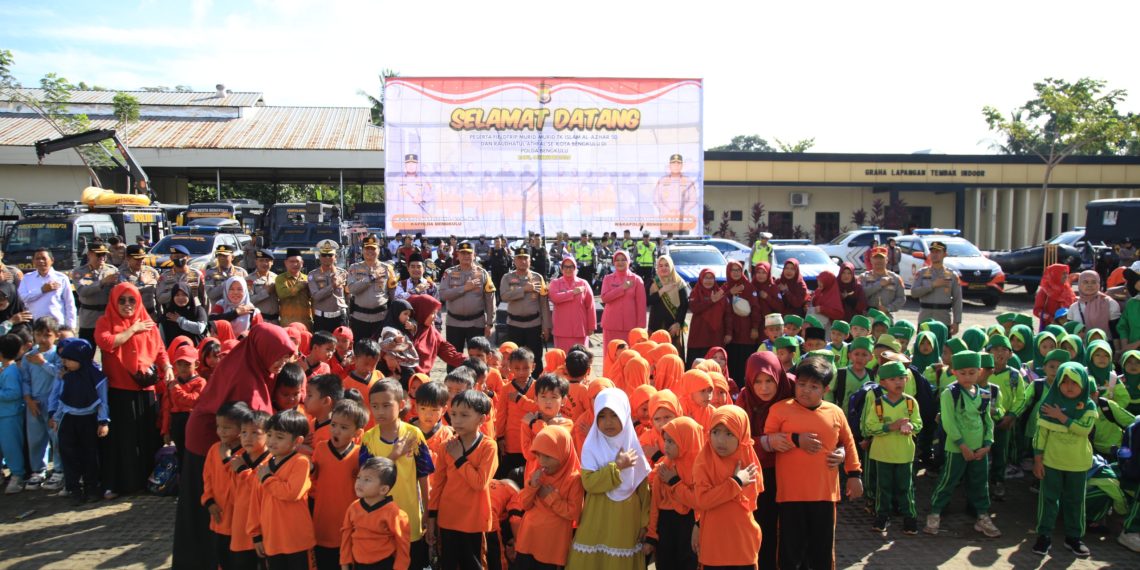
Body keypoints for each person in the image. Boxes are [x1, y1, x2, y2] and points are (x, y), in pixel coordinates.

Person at [174, 324, 297, 569]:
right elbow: (254, 425)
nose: (281, 363)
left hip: (220, 443)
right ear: (263, 350)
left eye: (286, 357)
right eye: (279, 357)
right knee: (212, 511)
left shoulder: (251, 363)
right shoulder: (245, 380)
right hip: (211, 446)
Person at [764, 357, 863, 570]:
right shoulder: (780, 410)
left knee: (822, 551)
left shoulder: (835, 412)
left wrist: (854, 474)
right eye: (801, 384)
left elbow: (848, 441)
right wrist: (795, 439)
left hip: (825, 495)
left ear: (826, 389)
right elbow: (768, 441)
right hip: (790, 495)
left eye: (813, 386)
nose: (805, 390)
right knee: (791, 552)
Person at [94, 283, 171, 499]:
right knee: (123, 440)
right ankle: (122, 483)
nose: (127, 305)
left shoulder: (148, 322)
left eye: (132, 300)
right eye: (122, 300)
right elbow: (107, 341)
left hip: (145, 388)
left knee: (146, 436)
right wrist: (132, 330)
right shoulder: (105, 321)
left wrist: (168, 367)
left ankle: (148, 480)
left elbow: (159, 349)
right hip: (120, 391)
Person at [566, 388, 651, 570]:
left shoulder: (631, 445)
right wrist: (617, 467)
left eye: (614, 415)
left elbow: (643, 488)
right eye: (602, 416)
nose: (608, 422)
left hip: (627, 520)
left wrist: (646, 524)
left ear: (624, 415)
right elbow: (589, 483)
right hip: (597, 517)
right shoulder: (592, 445)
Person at [923, 350, 1002, 538]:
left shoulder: (983, 394)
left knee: (980, 483)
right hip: (956, 448)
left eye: (972, 372)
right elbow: (948, 422)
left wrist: (987, 444)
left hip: (979, 449)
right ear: (954, 372)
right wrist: (962, 446)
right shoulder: (950, 393)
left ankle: (982, 516)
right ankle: (935, 512)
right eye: (963, 373)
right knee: (948, 480)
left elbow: (988, 421)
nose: (968, 377)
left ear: (980, 371)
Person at [359, 380, 434, 570]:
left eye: (386, 405)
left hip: (410, 517)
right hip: (378, 521)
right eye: (375, 406)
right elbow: (366, 479)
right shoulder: (368, 438)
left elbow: (424, 477)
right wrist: (394, 455)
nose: (380, 411)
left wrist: (427, 511)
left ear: (401, 405)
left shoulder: (414, 434)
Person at [735, 352, 795, 568]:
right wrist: (765, 442)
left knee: (793, 531)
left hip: (794, 472)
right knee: (764, 528)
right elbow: (739, 441)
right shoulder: (744, 399)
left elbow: (821, 420)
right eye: (757, 381)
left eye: (769, 380)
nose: (764, 388)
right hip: (760, 474)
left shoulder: (794, 390)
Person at [427, 389, 499, 569]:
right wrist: (431, 518)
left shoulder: (488, 447)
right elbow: (438, 485)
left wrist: (459, 459)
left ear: (481, 419)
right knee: (448, 564)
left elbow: (479, 483)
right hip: (448, 518)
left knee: (473, 565)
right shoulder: (447, 446)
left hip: (474, 521)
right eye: (453, 414)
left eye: (464, 415)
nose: (456, 420)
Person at [1031, 362, 1097, 558]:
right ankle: (1044, 536)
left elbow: (1084, 429)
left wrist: (1061, 417)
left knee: (1075, 501)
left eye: (1074, 382)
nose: (1069, 386)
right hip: (1052, 462)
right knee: (1048, 500)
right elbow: (1040, 434)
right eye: (1064, 381)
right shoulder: (1049, 404)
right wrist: (1038, 459)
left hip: (1077, 463)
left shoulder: (1088, 406)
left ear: (1083, 384)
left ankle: (1074, 538)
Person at [692, 405, 762, 569]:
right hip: (714, 548)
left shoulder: (748, 458)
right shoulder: (704, 462)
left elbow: (749, 501)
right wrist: (736, 482)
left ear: (742, 435)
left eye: (729, 433)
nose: (720, 440)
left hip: (743, 544)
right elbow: (703, 500)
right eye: (715, 432)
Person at [861, 360, 923, 534]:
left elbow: (919, 423)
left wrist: (911, 426)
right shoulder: (878, 404)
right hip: (882, 454)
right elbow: (869, 426)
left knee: (906, 487)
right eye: (893, 379)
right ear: (883, 383)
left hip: (904, 453)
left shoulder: (911, 403)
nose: (898, 382)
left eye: (902, 378)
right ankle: (882, 517)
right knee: (883, 487)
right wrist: (890, 427)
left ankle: (910, 518)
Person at [248, 410, 315, 567]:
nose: (271, 441)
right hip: (272, 540)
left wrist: (267, 479)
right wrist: (256, 535)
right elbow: (255, 503)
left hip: (297, 541)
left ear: (297, 441)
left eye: (279, 437)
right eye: (269, 435)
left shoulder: (301, 462)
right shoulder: (264, 466)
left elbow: (291, 493)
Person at [516, 424, 584, 570]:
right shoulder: (538, 472)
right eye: (538, 455)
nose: (542, 461)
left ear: (563, 452)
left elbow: (574, 513)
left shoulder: (574, 479)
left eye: (547, 456)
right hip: (528, 540)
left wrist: (551, 497)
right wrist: (531, 486)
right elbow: (523, 504)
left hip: (551, 548)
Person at [200, 401, 253, 568]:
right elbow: (207, 478)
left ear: (240, 430)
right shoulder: (214, 449)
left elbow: (245, 483)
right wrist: (208, 501)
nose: (221, 431)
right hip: (220, 517)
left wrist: (227, 460)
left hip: (241, 522)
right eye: (218, 426)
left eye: (227, 427)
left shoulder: (248, 453)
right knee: (222, 559)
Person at [340, 456, 411, 569]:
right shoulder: (353, 508)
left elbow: (403, 549)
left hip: (383, 564)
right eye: (359, 477)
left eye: (367, 479)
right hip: (358, 564)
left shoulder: (395, 514)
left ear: (383, 489)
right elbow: (346, 538)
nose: (359, 483)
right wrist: (344, 564)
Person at [440, 241, 497, 353]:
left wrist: (490, 324)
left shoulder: (483, 273)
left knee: (477, 358)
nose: (466, 256)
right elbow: (443, 295)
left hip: (476, 323)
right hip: (454, 323)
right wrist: (464, 288)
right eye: (463, 253)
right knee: (453, 357)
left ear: (474, 255)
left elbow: (490, 301)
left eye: (469, 253)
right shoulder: (449, 273)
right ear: (458, 255)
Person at [502, 246, 552, 371]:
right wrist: (523, 289)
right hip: (514, 325)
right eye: (519, 258)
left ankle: (536, 385)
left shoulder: (537, 278)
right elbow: (504, 296)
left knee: (535, 358)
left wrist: (546, 326)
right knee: (514, 357)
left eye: (525, 258)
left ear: (530, 260)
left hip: (533, 325)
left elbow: (544, 303)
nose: (523, 261)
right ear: (514, 260)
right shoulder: (507, 277)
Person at [348, 233, 398, 341]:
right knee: (360, 351)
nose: (370, 251)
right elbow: (352, 289)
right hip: (359, 318)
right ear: (362, 250)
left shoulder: (387, 268)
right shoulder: (354, 268)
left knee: (380, 352)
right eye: (367, 248)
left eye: (373, 248)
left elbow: (393, 294)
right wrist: (371, 278)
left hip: (381, 318)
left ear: (378, 251)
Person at [72, 241, 119, 344]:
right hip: (89, 317)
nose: (102, 257)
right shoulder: (80, 272)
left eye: (104, 254)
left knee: (109, 351)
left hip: (107, 315)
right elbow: (82, 291)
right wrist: (102, 282)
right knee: (86, 349)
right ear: (89, 254)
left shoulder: (112, 270)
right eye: (98, 254)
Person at [911, 241, 963, 335]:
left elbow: (957, 300)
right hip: (925, 317)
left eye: (938, 252)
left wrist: (957, 322)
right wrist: (932, 285)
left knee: (943, 348)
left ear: (945, 254)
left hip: (943, 318)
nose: (934, 255)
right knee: (924, 346)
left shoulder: (952, 275)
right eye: (932, 252)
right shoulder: (922, 273)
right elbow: (914, 292)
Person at [18, 248, 76, 330]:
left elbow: (69, 303)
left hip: (57, 326)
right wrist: (42, 290)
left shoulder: (61, 278)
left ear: (52, 260)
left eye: (44, 258)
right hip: (34, 326)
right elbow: (22, 298)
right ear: (33, 261)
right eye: (37, 259)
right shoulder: (27, 278)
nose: (40, 261)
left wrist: (71, 327)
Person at [0, 333, 29, 494]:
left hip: (10, 416)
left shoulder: (11, 371)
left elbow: (13, 393)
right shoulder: (6, 369)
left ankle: (17, 476)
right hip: (4, 415)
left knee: (11, 447)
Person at [549, 256, 596, 351]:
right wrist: (572, 292)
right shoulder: (555, 283)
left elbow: (590, 306)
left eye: (571, 267)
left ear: (575, 268)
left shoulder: (583, 283)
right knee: (562, 361)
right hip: (561, 330)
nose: (568, 269)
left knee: (580, 359)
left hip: (580, 329)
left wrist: (591, 326)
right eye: (565, 267)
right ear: (561, 269)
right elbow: (554, 298)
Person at [685, 269, 728, 366]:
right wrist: (711, 301)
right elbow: (694, 308)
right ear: (701, 279)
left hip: (715, 337)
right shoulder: (695, 292)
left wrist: (728, 333)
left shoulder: (719, 294)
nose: (708, 281)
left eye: (711, 278)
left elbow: (727, 315)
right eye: (706, 278)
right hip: (698, 338)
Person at [648, 256, 689, 355]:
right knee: (655, 354)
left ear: (671, 266)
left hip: (673, 327)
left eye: (666, 265)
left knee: (673, 355)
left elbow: (684, 305)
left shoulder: (679, 283)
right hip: (655, 325)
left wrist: (678, 323)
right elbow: (648, 301)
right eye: (661, 265)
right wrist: (662, 290)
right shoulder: (653, 282)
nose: (664, 268)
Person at [309, 240, 349, 334]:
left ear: (335, 257)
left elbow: (348, 295)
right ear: (319, 257)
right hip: (322, 319)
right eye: (324, 255)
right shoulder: (312, 275)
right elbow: (316, 296)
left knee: (340, 347)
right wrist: (333, 285)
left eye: (330, 255)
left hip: (340, 317)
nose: (327, 257)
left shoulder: (343, 273)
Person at [1068, 270, 1119, 342]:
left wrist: (1117, 351)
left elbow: (1115, 331)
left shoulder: (1109, 303)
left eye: (1093, 282)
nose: (1089, 285)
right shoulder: (1074, 307)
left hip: (1105, 348)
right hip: (1081, 349)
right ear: (1079, 284)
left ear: (1099, 284)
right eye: (1085, 282)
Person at [860, 247, 906, 316]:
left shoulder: (896, 278)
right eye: (876, 258)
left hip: (887, 315)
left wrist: (888, 308)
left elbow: (901, 298)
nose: (878, 261)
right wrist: (879, 284)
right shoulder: (864, 277)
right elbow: (861, 295)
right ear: (871, 260)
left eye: (881, 258)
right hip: (868, 315)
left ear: (887, 260)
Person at [118, 244, 161, 319]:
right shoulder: (121, 274)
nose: (141, 261)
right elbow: (126, 293)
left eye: (142, 258)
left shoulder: (152, 271)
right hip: (132, 315)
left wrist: (160, 314)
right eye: (137, 259)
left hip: (151, 314)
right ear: (128, 258)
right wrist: (142, 283)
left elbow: (158, 294)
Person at [275, 248, 313, 330]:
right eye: (291, 261)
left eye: (297, 261)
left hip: (305, 321)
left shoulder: (307, 278)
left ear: (302, 263)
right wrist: (299, 286)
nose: (295, 264)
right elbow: (282, 294)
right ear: (286, 263)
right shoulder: (280, 278)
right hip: (287, 323)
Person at [203, 244, 247, 309]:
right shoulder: (210, 273)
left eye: (225, 256)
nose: (221, 258)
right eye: (219, 255)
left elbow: (248, 293)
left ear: (232, 257)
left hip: (238, 309)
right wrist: (229, 281)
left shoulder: (241, 272)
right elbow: (211, 294)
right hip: (219, 310)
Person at [1035, 263, 1076, 331]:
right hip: (1050, 328)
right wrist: (1050, 319)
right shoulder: (1045, 291)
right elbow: (1037, 311)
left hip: (1067, 327)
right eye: (1063, 273)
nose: (1066, 276)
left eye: (1066, 273)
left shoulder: (1068, 289)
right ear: (1055, 275)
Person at [247, 249, 280, 324]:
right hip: (259, 320)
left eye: (267, 260)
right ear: (256, 262)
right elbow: (249, 301)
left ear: (272, 262)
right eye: (261, 260)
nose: (264, 263)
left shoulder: (276, 278)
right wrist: (266, 292)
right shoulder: (249, 279)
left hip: (275, 321)